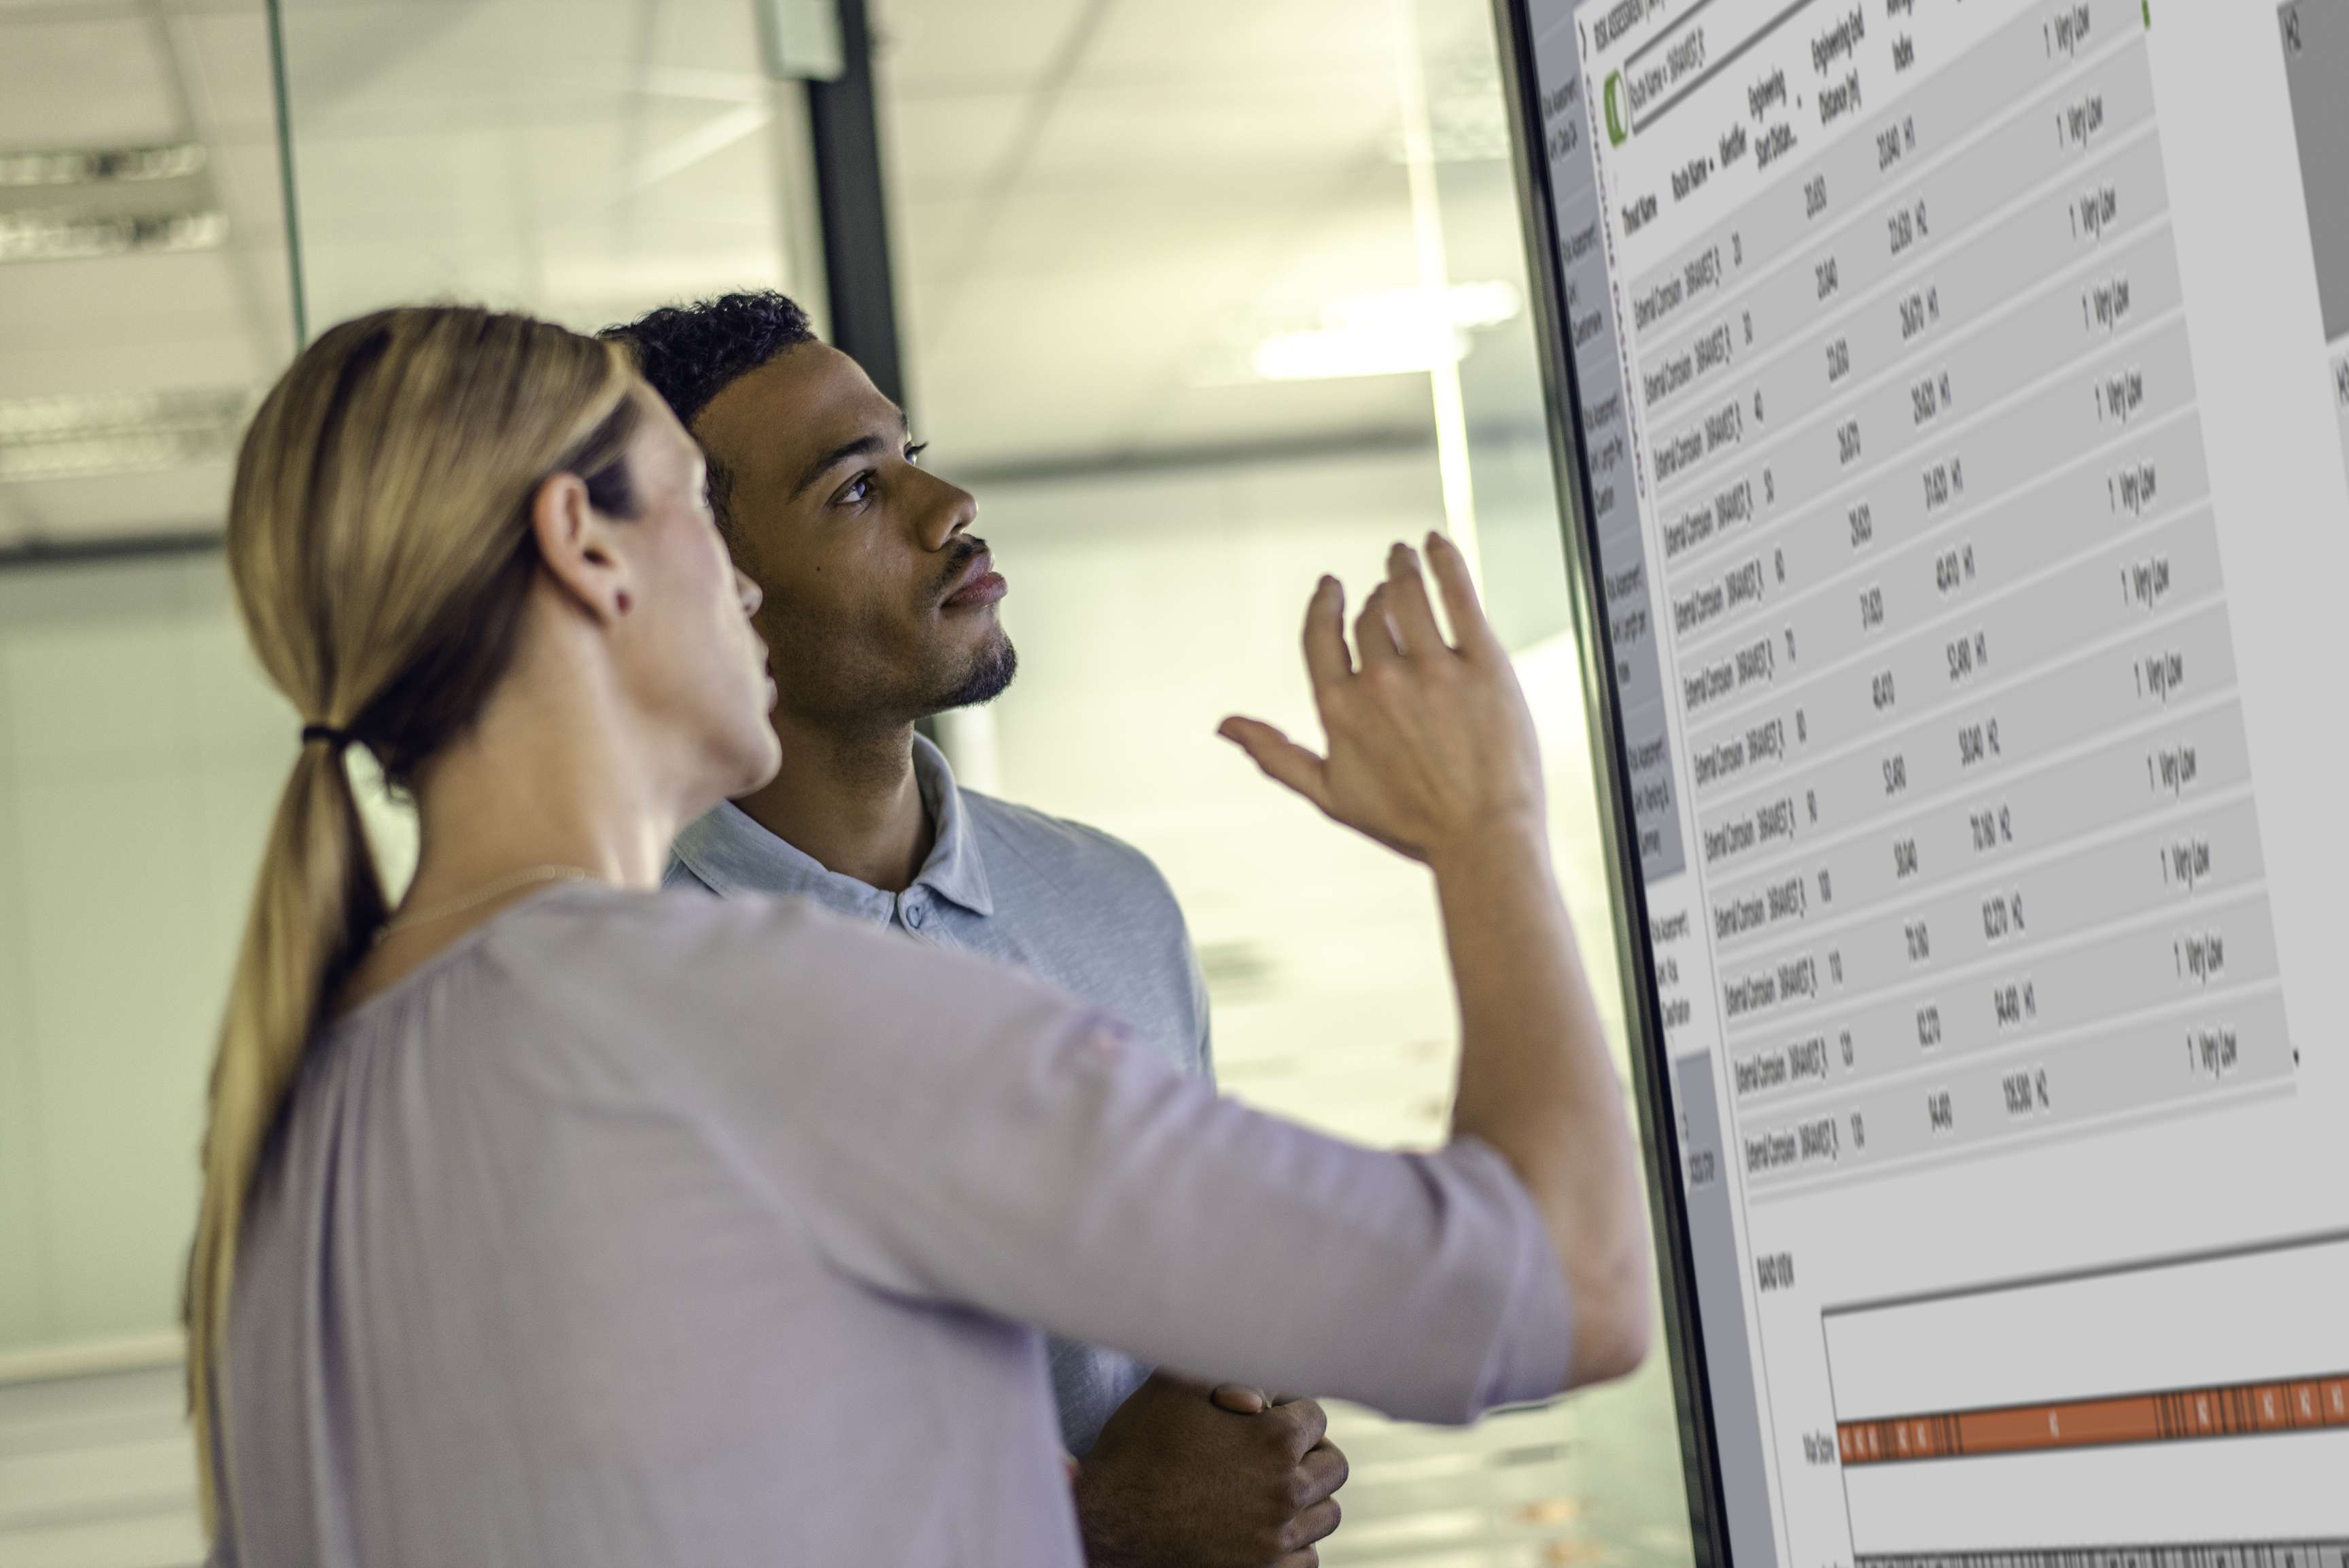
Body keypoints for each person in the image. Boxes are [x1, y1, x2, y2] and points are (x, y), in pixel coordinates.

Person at [190, 304, 1652, 1568]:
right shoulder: (744, 1010)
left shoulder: (308, 1103)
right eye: (705, 521)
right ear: (585, 544)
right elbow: (1565, 1288)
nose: (745, 587)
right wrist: (1490, 828)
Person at [602, 291, 1327, 1565]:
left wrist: (1251, 1449)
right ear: (709, 597)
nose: (948, 510)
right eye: (854, 492)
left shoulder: (1113, 904)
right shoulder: (601, 1010)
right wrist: (1088, 1527)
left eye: (910, 459)